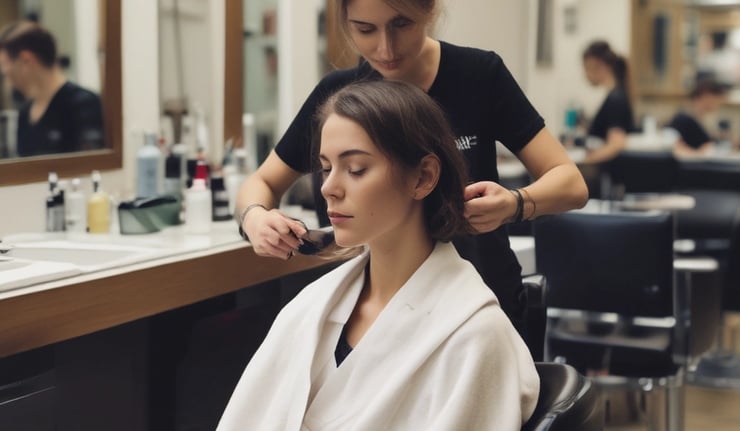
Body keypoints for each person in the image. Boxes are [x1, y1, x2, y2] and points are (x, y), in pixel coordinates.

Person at [236, 0, 588, 333]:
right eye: (365, 30)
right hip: (381, 309)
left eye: (401, 24)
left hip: (481, 300)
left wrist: (514, 204)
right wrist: (255, 218)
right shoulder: (340, 96)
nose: (385, 49)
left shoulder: (479, 76)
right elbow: (263, 182)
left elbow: (571, 184)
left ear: (429, 9)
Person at [219, 79, 539, 430]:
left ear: (423, 177)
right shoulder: (309, 310)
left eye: (356, 169)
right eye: (326, 168)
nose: (328, 187)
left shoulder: (472, 336)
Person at [0, 20, 104, 157]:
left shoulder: (84, 104)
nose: (8, 81)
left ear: (26, 60)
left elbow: (89, 164)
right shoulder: (25, 114)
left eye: (7, 71)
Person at [668, 79, 728, 155]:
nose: (719, 103)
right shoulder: (682, 120)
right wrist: (699, 154)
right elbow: (674, 148)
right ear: (706, 96)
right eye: (717, 98)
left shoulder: (702, 119)